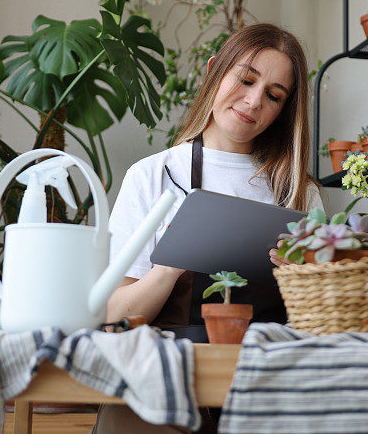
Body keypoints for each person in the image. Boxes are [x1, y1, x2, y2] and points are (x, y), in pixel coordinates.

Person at [92, 23, 324, 434]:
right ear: (215, 70)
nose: (253, 102)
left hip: (269, 387)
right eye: (246, 79)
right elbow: (114, 317)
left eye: (273, 95)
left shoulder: (298, 194)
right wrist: (170, 263)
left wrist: (303, 283)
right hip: (169, 381)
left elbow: (326, 322)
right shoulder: (153, 176)